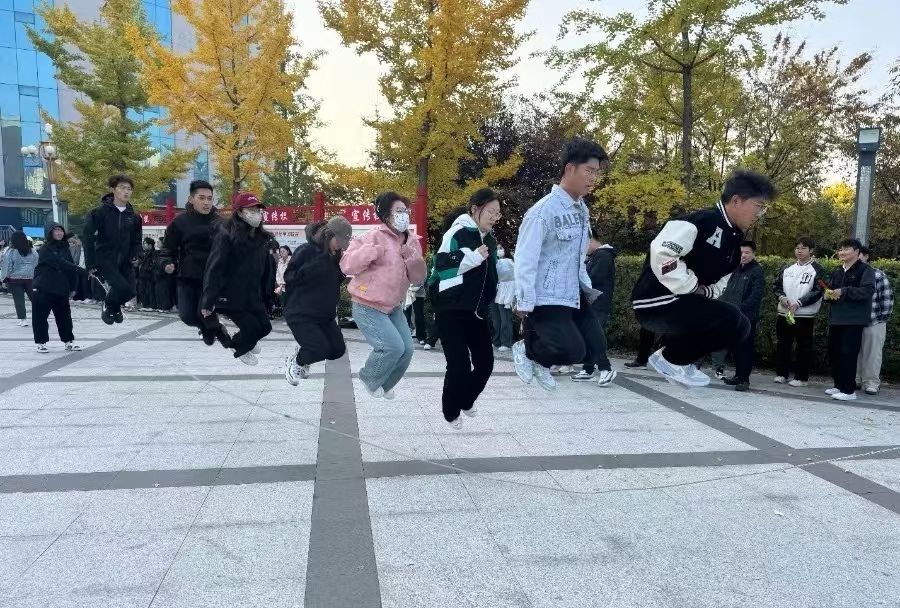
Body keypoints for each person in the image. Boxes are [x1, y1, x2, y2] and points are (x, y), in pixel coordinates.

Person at [631, 169, 776, 387]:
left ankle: (680, 359)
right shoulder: (701, 221)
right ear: (736, 200)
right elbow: (663, 254)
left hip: (684, 304)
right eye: (758, 206)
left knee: (742, 326)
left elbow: (721, 282)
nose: (760, 214)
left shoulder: (734, 243)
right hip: (655, 300)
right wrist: (691, 287)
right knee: (731, 318)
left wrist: (704, 293)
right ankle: (670, 359)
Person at [512, 137, 608, 391]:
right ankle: (528, 349)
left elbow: (577, 254)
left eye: (596, 172)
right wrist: (524, 300)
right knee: (571, 351)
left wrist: (586, 288)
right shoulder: (542, 211)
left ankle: (540, 360)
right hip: (546, 295)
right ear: (569, 168)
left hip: (573, 292)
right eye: (589, 171)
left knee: (595, 349)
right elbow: (525, 257)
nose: (593, 178)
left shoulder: (581, 209)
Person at [340, 192, 427, 398]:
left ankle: (386, 385)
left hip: (393, 306)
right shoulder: (371, 237)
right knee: (392, 347)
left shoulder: (412, 242)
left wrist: (412, 259)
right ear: (386, 215)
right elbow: (346, 265)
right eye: (399, 211)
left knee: (407, 350)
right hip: (367, 304)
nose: (404, 215)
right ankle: (368, 377)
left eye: (406, 211)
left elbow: (418, 278)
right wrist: (369, 252)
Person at [428, 188, 500, 429]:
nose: (494, 217)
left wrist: (509, 270)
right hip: (451, 309)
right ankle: (450, 411)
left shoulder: (489, 239)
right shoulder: (457, 232)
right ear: (475, 209)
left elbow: (491, 272)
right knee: (459, 366)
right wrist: (473, 257)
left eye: (498, 214)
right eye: (491, 212)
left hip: (477, 311)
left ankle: (466, 400)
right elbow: (441, 265)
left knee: (485, 364)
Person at [201, 192, 274, 365]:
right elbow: (215, 268)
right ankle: (238, 347)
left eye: (258, 210)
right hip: (231, 295)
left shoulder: (261, 238)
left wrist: (268, 293)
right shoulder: (227, 236)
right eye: (251, 210)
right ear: (240, 213)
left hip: (253, 294)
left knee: (265, 327)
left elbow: (265, 269)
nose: (256, 214)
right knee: (252, 329)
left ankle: (244, 341)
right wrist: (208, 300)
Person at [159, 180, 230, 346]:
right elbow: (167, 248)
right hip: (187, 276)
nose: (206, 203)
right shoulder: (179, 222)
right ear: (191, 199)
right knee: (187, 316)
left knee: (204, 312)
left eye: (210, 198)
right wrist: (166, 262)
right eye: (202, 198)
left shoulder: (221, 223)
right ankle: (209, 328)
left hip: (212, 278)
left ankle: (216, 330)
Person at [283, 217, 353, 385]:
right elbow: (289, 276)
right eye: (338, 241)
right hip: (301, 312)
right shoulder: (306, 250)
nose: (339, 246)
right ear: (328, 235)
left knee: (337, 350)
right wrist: (312, 268)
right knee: (319, 348)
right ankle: (297, 362)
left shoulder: (335, 256)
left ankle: (306, 354)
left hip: (324, 315)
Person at [83, 174, 142, 324]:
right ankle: (110, 305)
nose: (126, 191)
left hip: (125, 259)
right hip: (105, 258)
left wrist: (136, 255)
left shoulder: (134, 216)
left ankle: (112, 305)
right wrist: (90, 264)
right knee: (121, 287)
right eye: (122, 188)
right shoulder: (99, 213)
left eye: (129, 189)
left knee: (131, 291)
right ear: (113, 189)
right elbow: (88, 238)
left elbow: (136, 240)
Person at [823, 239, 875, 401]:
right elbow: (832, 290)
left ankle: (849, 390)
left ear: (857, 252)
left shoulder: (865, 270)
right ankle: (839, 385)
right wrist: (828, 295)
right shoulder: (838, 271)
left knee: (848, 354)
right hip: (836, 319)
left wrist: (844, 291)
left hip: (853, 320)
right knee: (836, 353)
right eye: (840, 249)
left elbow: (867, 292)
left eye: (846, 249)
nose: (842, 252)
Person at [773, 237, 826, 387]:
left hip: (805, 314)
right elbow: (777, 286)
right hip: (785, 313)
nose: (799, 251)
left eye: (803, 248)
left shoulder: (818, 269)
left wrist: (799, 303)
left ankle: (801, 378)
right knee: (783, 344)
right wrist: (782, 298)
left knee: (803, 346)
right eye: (797, 248)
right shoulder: (787, 269)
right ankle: (781, 374)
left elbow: (819, 290)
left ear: (811, 250)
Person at [714, 240, 765, 391]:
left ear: (753, 253)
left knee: (745, 348)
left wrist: (740, 309)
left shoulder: (757, 271)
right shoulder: (736, 268)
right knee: (735, 347)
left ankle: (744, 379)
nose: (743, 255)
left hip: (747, 317)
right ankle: (737, 376)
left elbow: (756, 295)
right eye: (741, 252)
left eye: (747, 252)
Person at [572, 228, 617, 385]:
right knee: (590, 335)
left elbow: (593, 278)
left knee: (594, 336)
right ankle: (588, 369)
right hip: (594, 302)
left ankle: (606, 369)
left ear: (590, 240)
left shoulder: (603, 255)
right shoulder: (597, 256)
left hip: (598, 302)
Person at [31, 223, 84, 353]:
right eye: (56, 231)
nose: (59, 233)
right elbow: (61, 263)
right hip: (44, 287)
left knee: (64, 317)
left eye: (61, 231)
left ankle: (68, 341)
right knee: (40, 316)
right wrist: (83, 271)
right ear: (51, 233)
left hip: (61, 288)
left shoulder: (65, 247)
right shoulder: (45, 248)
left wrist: (73, 287)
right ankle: (41, 342)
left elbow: (70, 265)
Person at [856, 246, 893, 395]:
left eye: (859, 254)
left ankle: (871, 382)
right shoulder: (851, 274)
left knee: (873, 353)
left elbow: (886, 297)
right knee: (854, 353)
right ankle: (855, 379)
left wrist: (882, 318)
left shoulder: (878, 274)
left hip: (874, 320)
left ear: (866, 256)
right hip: (854, 321)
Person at [0, 231, 38, 326]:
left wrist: (4, 279)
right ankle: (40, 316)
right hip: (30, 279)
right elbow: (36, 264)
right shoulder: (32, 251)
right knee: (35, 299)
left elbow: (7, 266)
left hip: (14, 279)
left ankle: (23, 320)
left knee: (19, 300)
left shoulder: (10, 251)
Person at [489, 244, 515, 352]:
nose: (499, 250)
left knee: (505, 318)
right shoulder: (493, 260)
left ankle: (506, 342)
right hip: (495, 290)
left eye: (501, 248)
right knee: (495, 319)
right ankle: (496, 341)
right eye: (497, 248)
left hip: (506, 291)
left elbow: (507, 276)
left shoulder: (509, 262)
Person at [137, 237, 158, 311]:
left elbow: (153, 264)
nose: (143, 245)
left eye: (145, 243)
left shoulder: (154, 253)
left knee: (150, 291)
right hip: (143, 275)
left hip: (149, 276)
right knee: (142, 290)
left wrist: (147, 269)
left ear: (150, 245)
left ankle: (151, 306)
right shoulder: (145, 253)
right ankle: (145, 305)